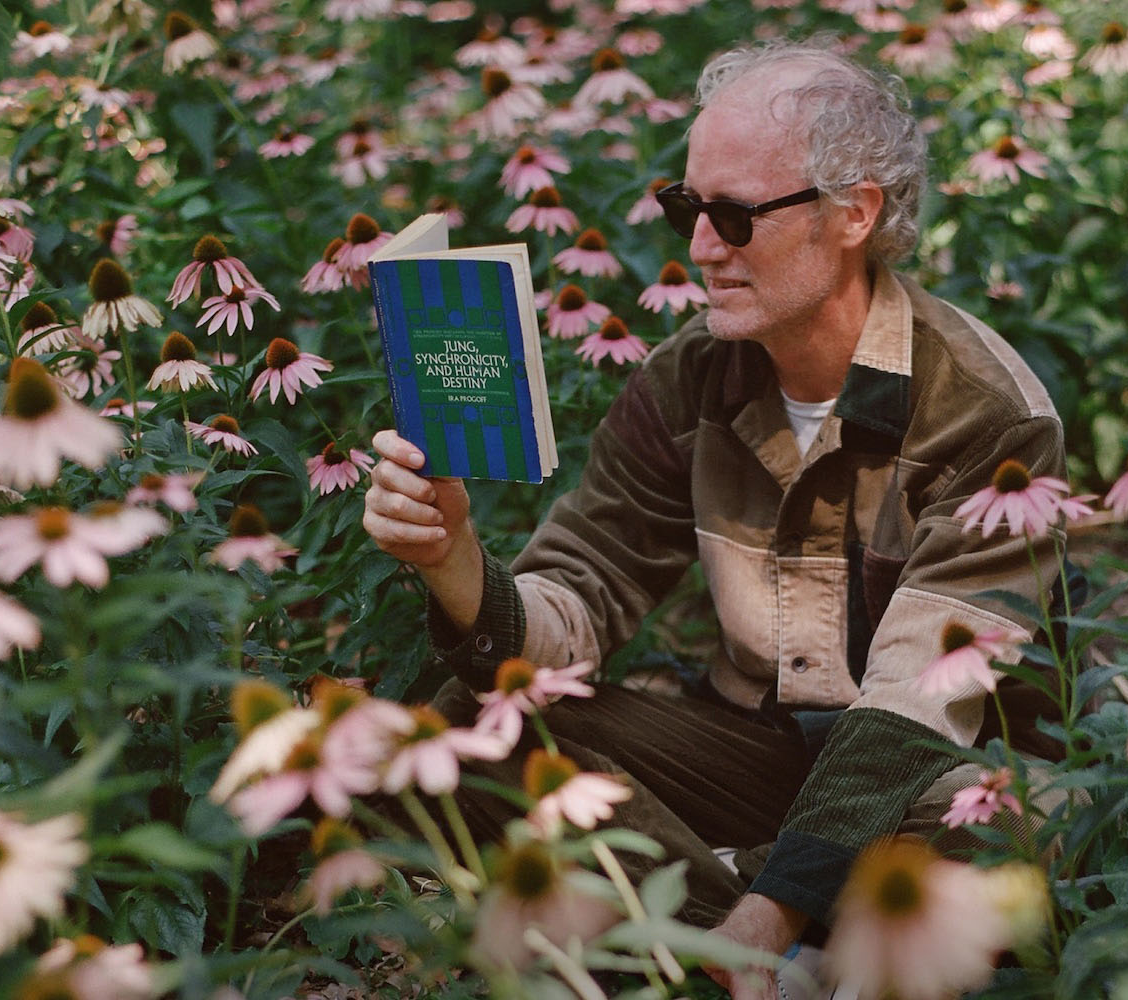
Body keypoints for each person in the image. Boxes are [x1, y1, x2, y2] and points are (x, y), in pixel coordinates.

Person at [364, 40, 1065, 999]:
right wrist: (452, 557)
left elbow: (918, 708)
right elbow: (582, 588)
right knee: (472, 728)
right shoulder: (688, 378)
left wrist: (765, 908)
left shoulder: (986, 413)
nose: (699, 249)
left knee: (979, 846)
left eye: (734, 217)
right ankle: (772, 951)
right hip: (763, 754)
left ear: (854, 213)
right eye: (686, 208)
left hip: (941, 779)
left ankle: (738, 931)